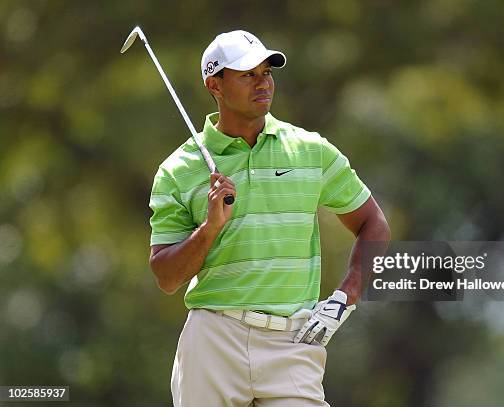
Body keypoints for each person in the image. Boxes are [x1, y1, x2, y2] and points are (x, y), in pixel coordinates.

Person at [148, 29, 390, 407]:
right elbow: (166, 276)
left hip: (293, 341)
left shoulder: (311, 151)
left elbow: (373, 223)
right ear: (215, 84)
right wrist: (210, 228)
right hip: (214, 339)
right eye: (247, 75)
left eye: (267, 73)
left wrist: (345, 297)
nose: (263, 83)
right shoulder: (178, 170)